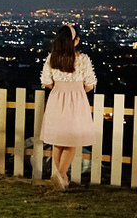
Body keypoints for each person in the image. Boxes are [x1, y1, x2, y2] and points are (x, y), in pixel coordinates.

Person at [40, 23, 97, 190]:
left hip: (56, 100)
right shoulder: (83, 60)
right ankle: (61, 175)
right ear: (75, 41)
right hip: (77, 101)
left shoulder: (52, 59)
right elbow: (90, 85)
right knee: (71, 142)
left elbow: (46, 82)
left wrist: (60, 89)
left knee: (58, 141)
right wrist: (76, 90)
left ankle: (61, 178)